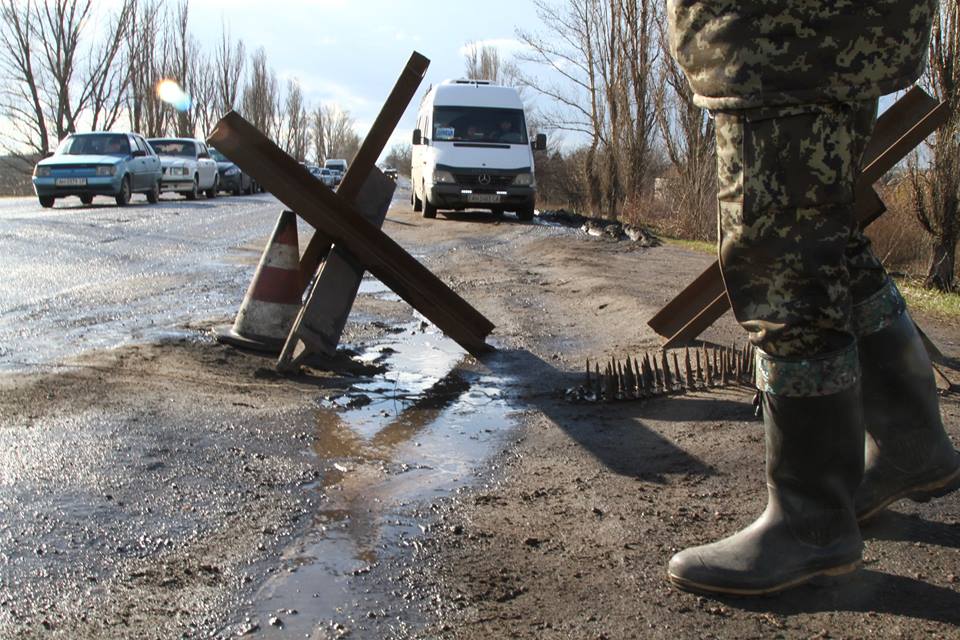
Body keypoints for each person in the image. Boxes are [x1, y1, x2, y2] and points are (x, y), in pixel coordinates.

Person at [664, 0, 959, 596]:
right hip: (843, 30)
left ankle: (811, 523)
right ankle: (911, 444)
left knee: (777, 257)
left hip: (775, 32)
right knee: (824, 239)